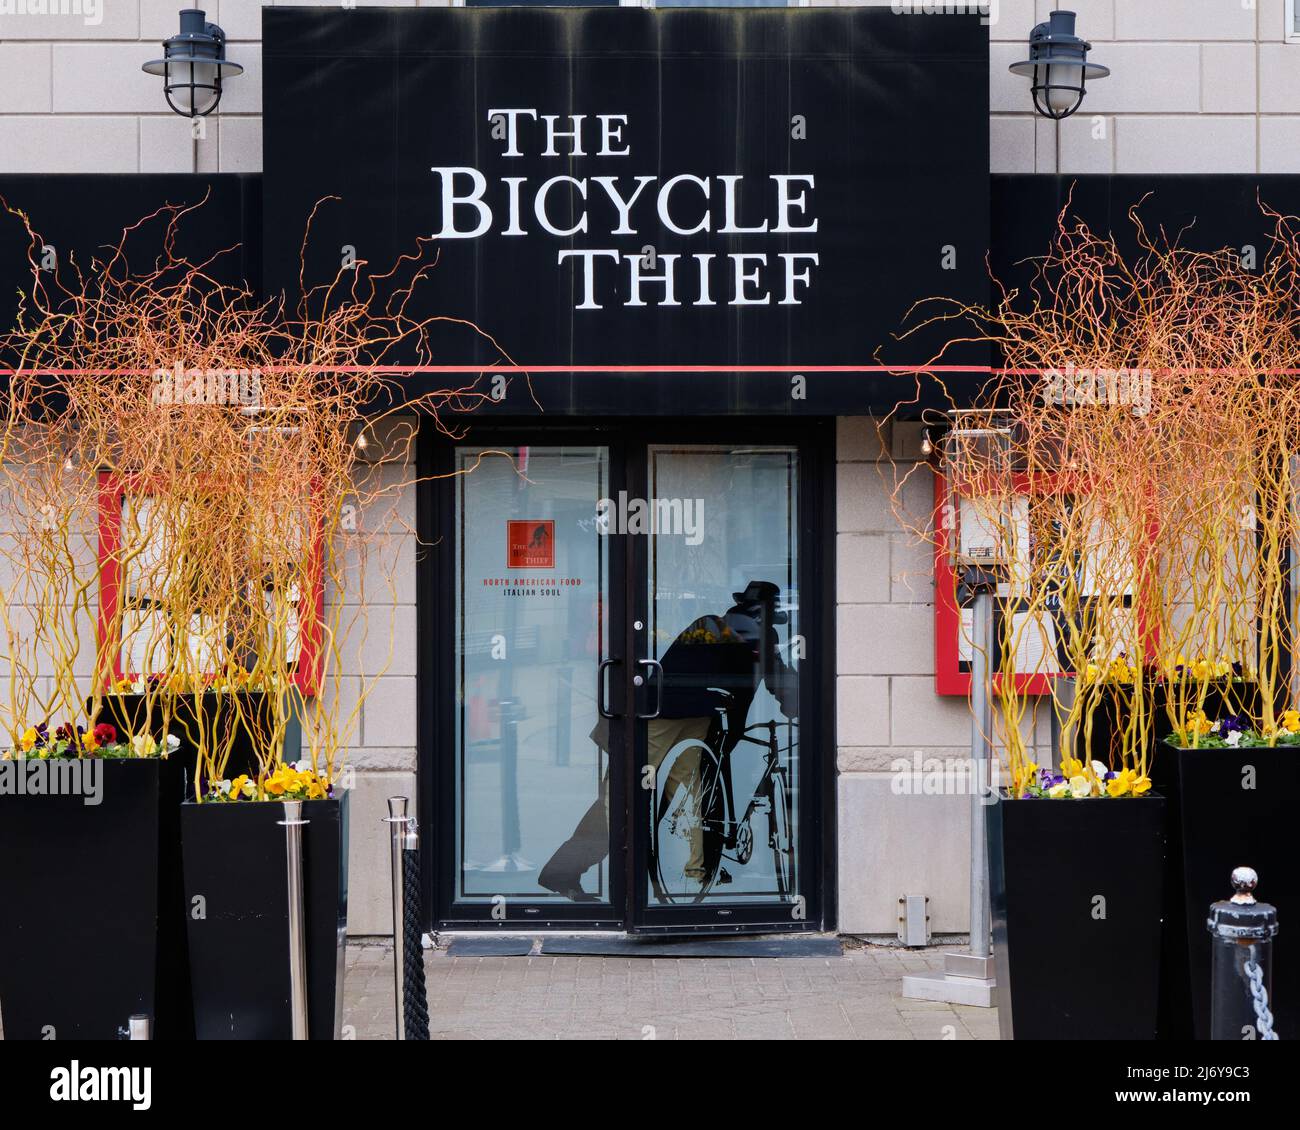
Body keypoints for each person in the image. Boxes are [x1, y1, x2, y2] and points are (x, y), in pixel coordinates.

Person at [538, 580, 798, 901]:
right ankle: (690, 873)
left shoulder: (714, 625)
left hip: (679, 714)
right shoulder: (749, 630)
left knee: (682, 794)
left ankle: (697, 873)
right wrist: (803, 707)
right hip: (673, 716)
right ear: (764, 613)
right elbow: (779, 677)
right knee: (632, 798)